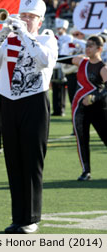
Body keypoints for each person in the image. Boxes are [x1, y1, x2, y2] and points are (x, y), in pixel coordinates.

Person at [0, 0, 57, 233]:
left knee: (32, 161)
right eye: (22, 15)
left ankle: (32, 218)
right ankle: (18, 217)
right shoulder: (10, 41)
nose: (25, 19)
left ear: (40, 20)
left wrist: (25, 35)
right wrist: (4, 31)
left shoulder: (47, 39)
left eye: (30, 16)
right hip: (10, 103)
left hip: (34, 102)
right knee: (13, 161)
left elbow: (44, 61)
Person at [57, 35, 107, 181]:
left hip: (99, 109)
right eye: (87, 45)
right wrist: (49, 54)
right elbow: (63, 58)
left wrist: (94, 97)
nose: (87, 48)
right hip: (80, 107)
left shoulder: (103, 68)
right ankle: (86, 171)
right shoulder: (82, 61)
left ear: (99, 49)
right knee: (82, 139)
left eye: (91, 45)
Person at [51, 18, 71, 116]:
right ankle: (56, 109)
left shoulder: (68, 38)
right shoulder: (53, 37)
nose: (59, 29)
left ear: (65, 28)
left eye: (61, 28)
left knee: (62, 87)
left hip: (63, 65)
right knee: (54, 87)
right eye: (58, 28)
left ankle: (62, 109)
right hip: (55, 65)